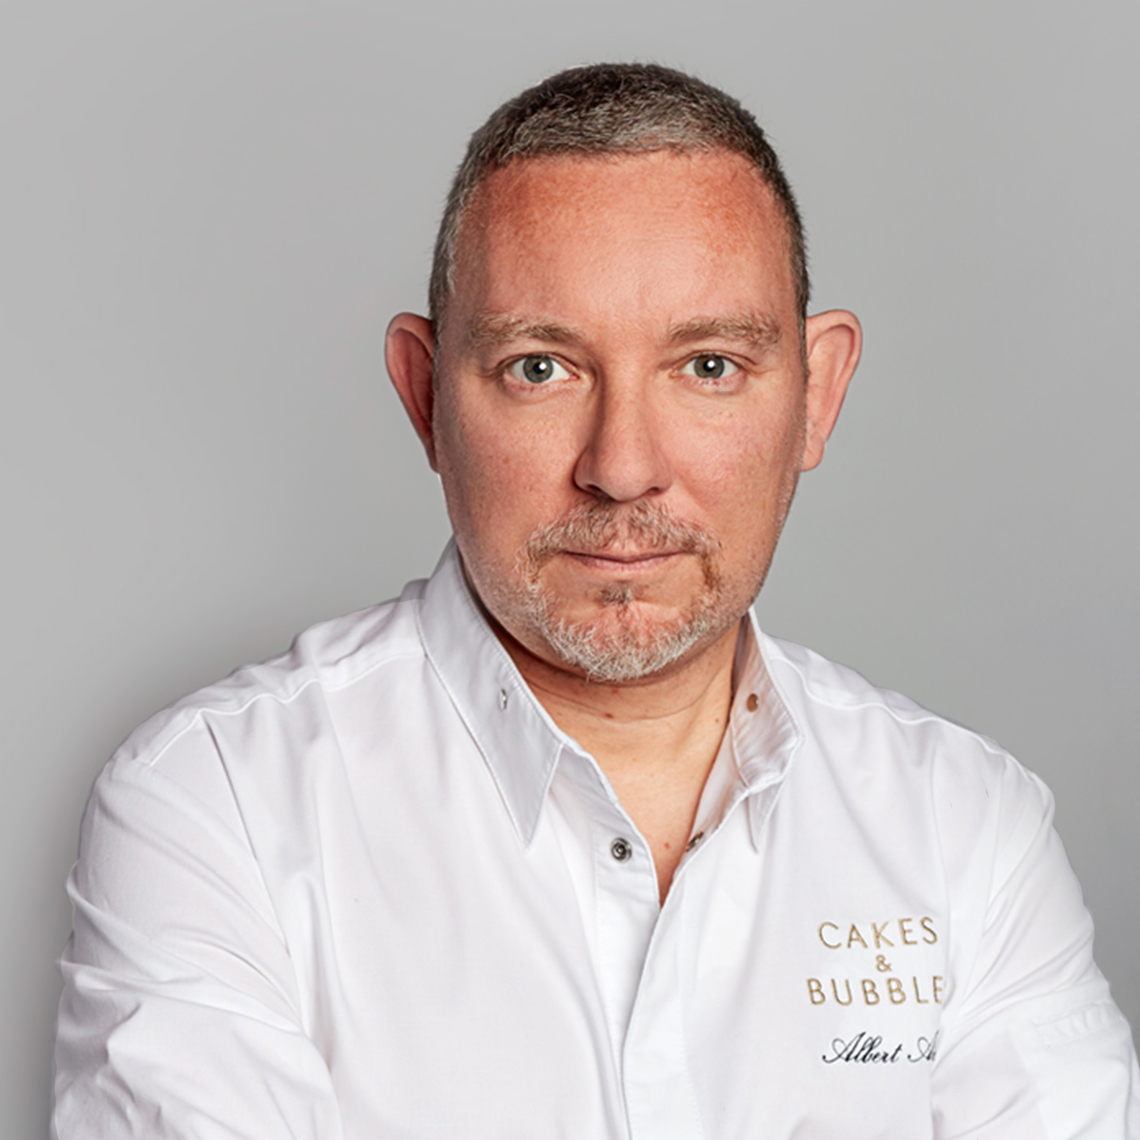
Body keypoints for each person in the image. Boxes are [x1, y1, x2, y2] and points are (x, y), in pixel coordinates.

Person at [53, 63, 1138, 1138]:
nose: (622, 469)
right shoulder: (220, 805)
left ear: (818, 395)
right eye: (540, 368)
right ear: (426, 398)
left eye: (708, 366)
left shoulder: (966, 828)